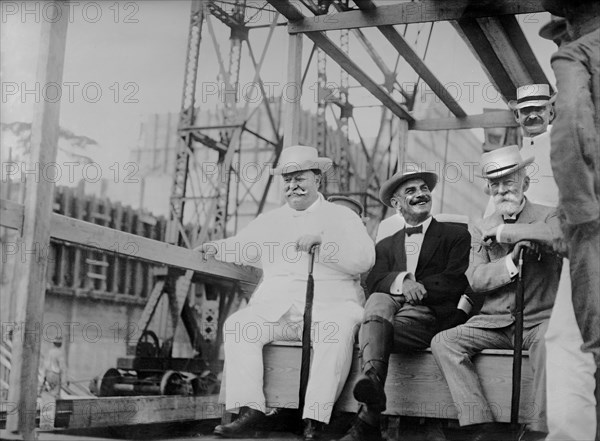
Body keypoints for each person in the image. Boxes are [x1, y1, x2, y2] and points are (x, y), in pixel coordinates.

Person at [200, 145, 375, 440]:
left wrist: (324, 246)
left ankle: (315, 420)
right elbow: (243, 246)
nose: (293, 186)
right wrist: (215, 248)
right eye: (287, 180)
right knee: (240, 326)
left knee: (335, 331)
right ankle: (251, 411)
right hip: (280, 311)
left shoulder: (342, 218)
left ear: (317, 180)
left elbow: (363, 259)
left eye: (300, 178)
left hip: (329, 308)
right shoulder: (271, 221)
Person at [431, 146, 563, 441]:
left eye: (509, 183)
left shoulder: (549, 215)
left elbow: (557, 237)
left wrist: (508, 234)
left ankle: (540, 427)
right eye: (495, 185)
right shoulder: (480, 228)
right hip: (494, 323)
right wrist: (510, 261)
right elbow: (476, 279)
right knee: (444, 342)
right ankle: (480, 423)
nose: (502, 190)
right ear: (488, 188)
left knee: (549, 342)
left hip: (539, 319)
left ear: (525, 184)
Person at [341, 169, 471, 441]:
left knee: (365, 331)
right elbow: (374, 282)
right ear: (397, 204)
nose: (420, 194)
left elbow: (455, 280)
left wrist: (417, 289)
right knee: (377, 299)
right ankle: (371, 402)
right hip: (391, 316)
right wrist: (403, 281)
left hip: (429, 318)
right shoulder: (386, 245)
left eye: (423, 188)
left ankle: (369, 413)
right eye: (410, 191)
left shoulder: (456, 236)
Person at [536, 17, 597, 441]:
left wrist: (578, 219)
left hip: (590, 228)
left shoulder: (578, 55)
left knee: (574, 344)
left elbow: (573, 126)